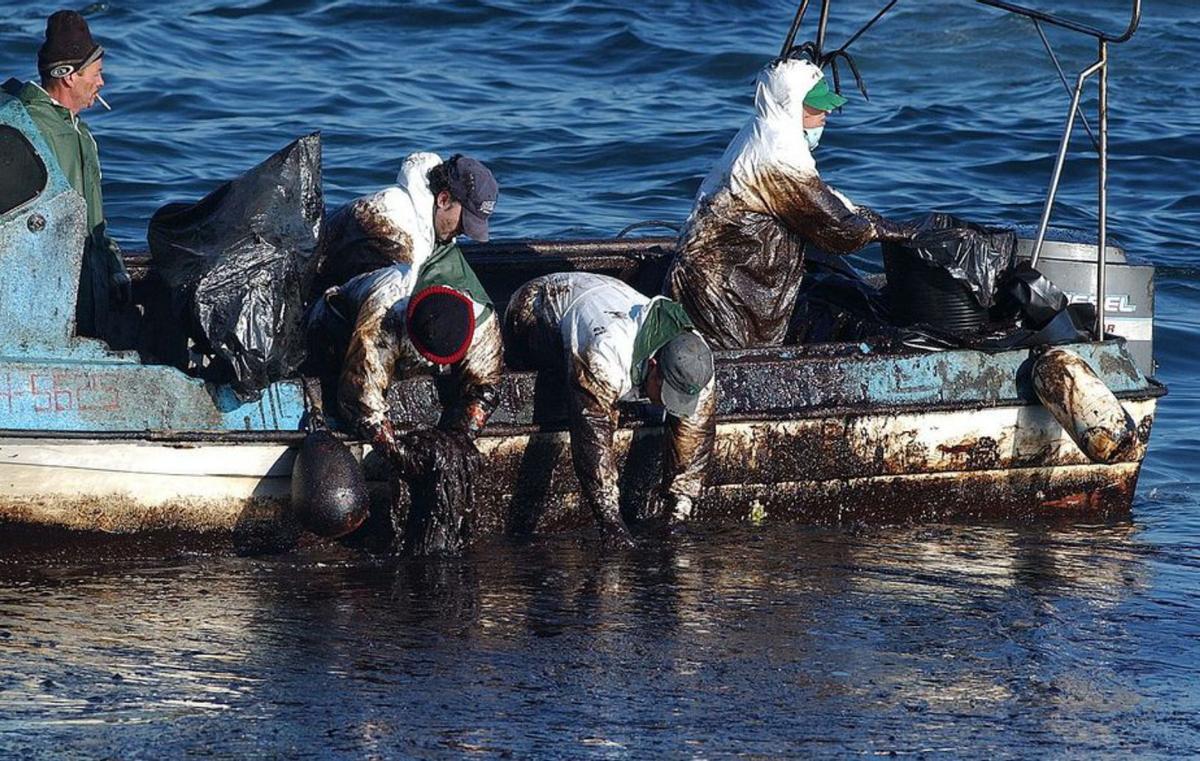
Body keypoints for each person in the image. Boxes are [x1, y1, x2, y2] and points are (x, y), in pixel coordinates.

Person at [664, 57, 914, 350]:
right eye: (817, 105)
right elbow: (838, 229)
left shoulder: (765, 133)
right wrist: (892, 232)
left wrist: (863, 214)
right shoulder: (778, 153)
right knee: (729, 362)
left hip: (726, 281)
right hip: (720, 293)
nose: (827, 111)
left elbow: (816, 196)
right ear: (789, 104)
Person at [504, 272, 717, 546]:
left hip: (608, 295)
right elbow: (592, 436)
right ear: (653, 367)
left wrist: (678, 514)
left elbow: (695, 432)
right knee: (571, 388)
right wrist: (611, 522)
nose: (667, 405)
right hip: (539, 304)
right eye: (665, 395)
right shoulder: (605, 350)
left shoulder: (697, 361)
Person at [3, 10, 131, 341]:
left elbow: (93, 219)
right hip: (42, 305)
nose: (102, 83)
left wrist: (114, 268)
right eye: (97, 73)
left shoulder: (81, 134)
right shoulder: (24, 131)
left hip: (86, 291)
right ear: (68, 75)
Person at [305, 268, 502, 458]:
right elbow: (361, 398)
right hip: (337, 327)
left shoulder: (482, 320)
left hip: (403, 346)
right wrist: (399, 455)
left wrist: (458, 442)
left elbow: (484, 388)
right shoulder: (383, 314)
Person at [313, 152, 498, 294]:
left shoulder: (428, 218)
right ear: (443, 199)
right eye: (464, 222)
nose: (464, 231)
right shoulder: (393, 225)